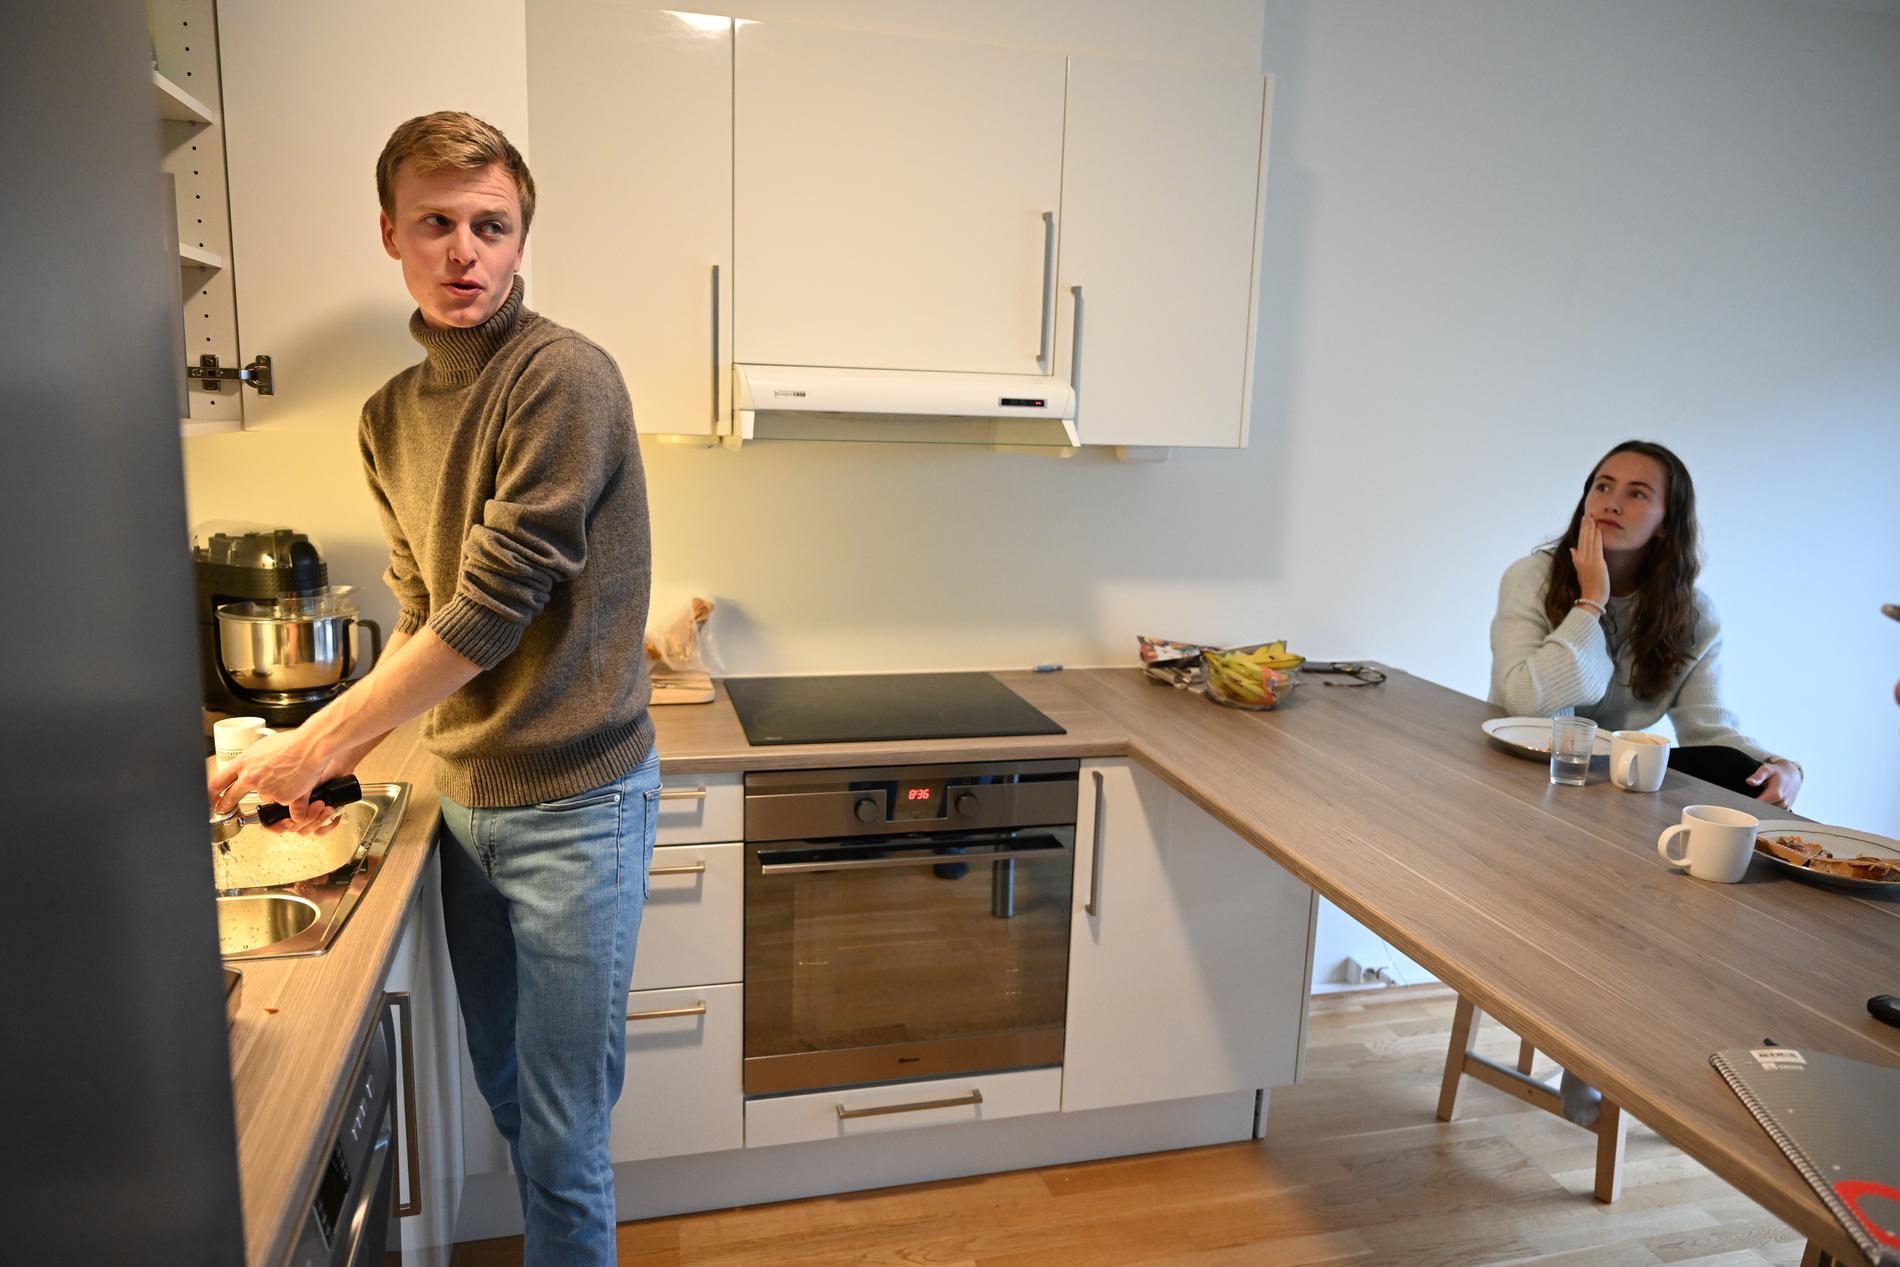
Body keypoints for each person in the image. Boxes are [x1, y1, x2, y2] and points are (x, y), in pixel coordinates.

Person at [210, 111, 656, 1265]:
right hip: (465, 805)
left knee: (564, 1135)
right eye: (438, 224)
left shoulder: (563, 378)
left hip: (577, 804)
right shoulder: (387, 417)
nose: (465, 251)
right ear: (392, 235)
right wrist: (343, 755)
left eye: (490, 226)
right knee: (510, 1090)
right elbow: (419, 605)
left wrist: (311, 742)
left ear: (519, 240)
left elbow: (492, 606)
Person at [1490, 439, 1803, 809]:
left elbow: (1706, 729)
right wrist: (1591, 602)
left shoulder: (1693, 615)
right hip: (1517, 773)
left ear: (1665, 525)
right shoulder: (1531, 577)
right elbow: (1525, 702)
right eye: (1602, 486)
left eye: (1637, 494)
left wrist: (1781, 767)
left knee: (1734, 771)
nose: (1612, 502)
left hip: (1606, 792)